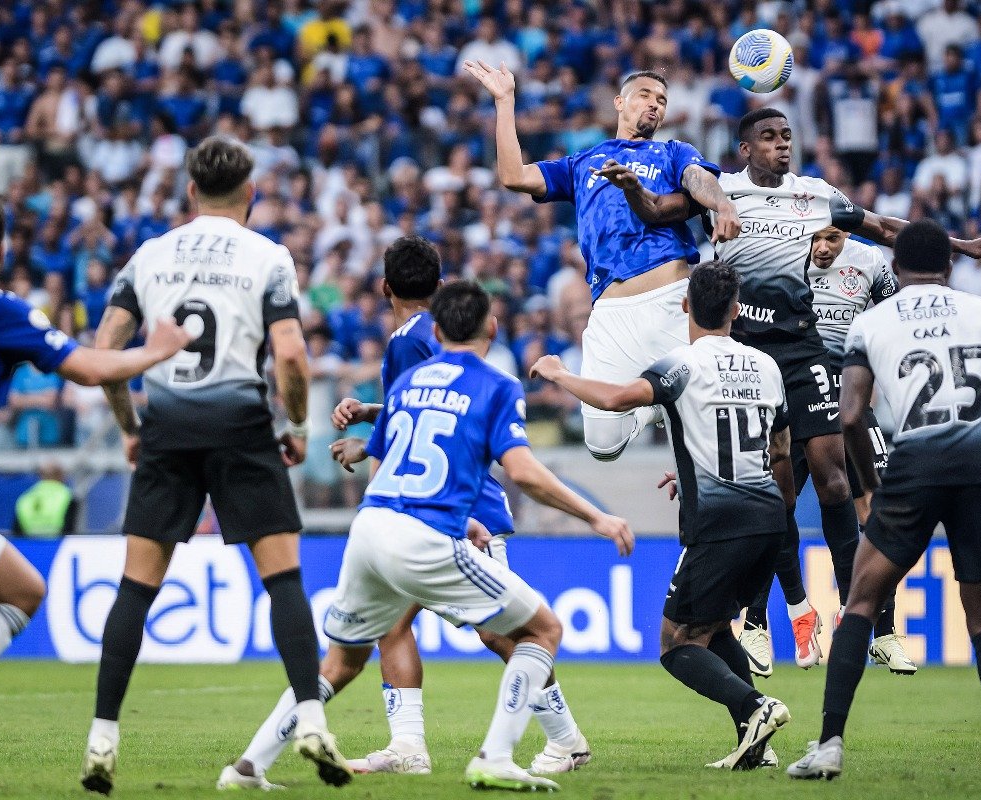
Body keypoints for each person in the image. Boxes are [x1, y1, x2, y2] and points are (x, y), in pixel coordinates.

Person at [610, 107, 981, 679]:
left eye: (787, 137)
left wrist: (958, 244)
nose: (782, 146)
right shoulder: (721, 192)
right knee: (769, 495)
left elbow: (883, 228)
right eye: (770, 139)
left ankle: (866, 620)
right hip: (746, 354)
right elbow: (656, 210)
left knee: (832, 480)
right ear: (746, 148)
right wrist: (633, 190)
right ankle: (768, 614)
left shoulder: (815, 195)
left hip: (802, 351)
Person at [216, 236, 592, 790]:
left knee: (503, 633)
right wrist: (372, 426)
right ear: (439, 289)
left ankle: (563, 738)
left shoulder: (407, 342)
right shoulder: (429, 345)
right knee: (397, 627)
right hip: (430, 507)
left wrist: (371, 441)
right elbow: (425, 411)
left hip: (449, 508)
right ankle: (408, 744)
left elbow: (429, 413)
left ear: (385, 287)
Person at [82, 137, 349, 794]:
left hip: (168, 427)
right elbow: (290, 355)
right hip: (239, 427)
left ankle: (101, 737)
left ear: (191, 194)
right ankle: (311, 720)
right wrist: (297, 426)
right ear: (250, 194)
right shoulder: (267, 256)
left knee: (135, 590)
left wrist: (129, 428)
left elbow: (104, 351)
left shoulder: (150, 254)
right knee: (283, 582)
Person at [784, 219, 981, 785]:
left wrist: (869, 489)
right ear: (950, 266)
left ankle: (830, 745)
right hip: (979, 470)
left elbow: (852, 414)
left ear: (896, 268)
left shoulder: (872, 322)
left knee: (860, 601)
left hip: (912, 470)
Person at [531, 261, 791, 771]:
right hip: (769, 515)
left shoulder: (682, 363)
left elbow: (614, 399)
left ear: (686, 306)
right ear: (737, 310)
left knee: (675, 644)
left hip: (719, 523)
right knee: (714, 630)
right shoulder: (767, 366)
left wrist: (561, 374)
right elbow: (779, 452)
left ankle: (756, 707)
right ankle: (753, 741)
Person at [463, 62, 740, 462]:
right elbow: (512, 176)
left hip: (672, 302)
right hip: (610, 312)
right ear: (619, 103)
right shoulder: (583, 163)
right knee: (602, 444)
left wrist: (721, 203)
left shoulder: (673, 152)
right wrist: (504, 102)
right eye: (645, 95)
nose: (655, 105)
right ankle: (655, 404)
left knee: (714, 426)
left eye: (662, 100)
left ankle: (666, 403)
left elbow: (699, 179)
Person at [0, 191, 192, 667]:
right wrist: (156, 351)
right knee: (22, 593)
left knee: (23, 588)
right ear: (1, 250)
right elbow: (90, 367)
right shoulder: (3, 313)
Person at [742, 226, 917, 678]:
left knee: (874, 506)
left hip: (845, 391)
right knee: (769, 506)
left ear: (847, 235)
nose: (822, 247)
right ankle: (761, 621)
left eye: (833, 238)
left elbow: (894, 321)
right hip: (785, 386)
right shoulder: (778, 255)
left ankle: (882, 629)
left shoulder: (872, 263)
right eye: (815, 238)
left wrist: (875, 381)